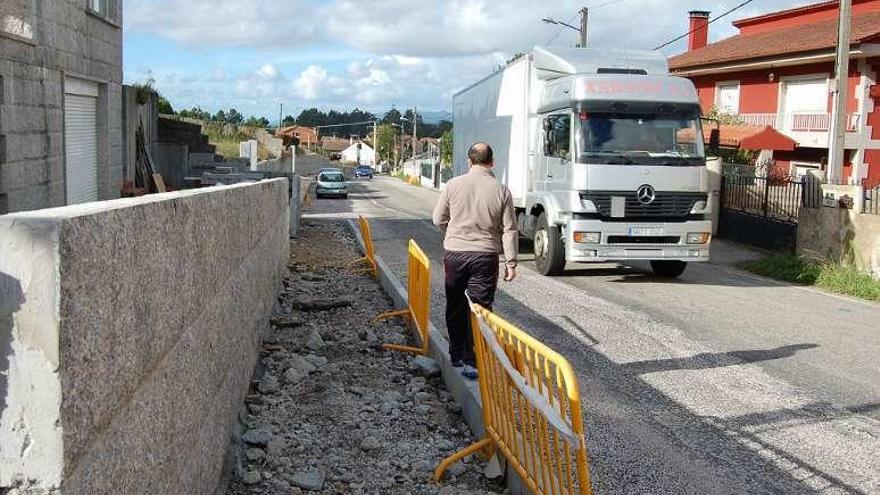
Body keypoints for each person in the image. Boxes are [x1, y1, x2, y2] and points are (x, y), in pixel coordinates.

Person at [432, 142, 517, 380]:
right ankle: (473, 361)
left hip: (455, 254)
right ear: (492, 161)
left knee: (455, 304)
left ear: (470, 161)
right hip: (485, 256)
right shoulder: (501, 190)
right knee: (480, 308)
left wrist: (452, 235)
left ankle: (457, 354)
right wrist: (511, 262)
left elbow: (438, 218)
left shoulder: (453, 185)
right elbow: (509, 230)